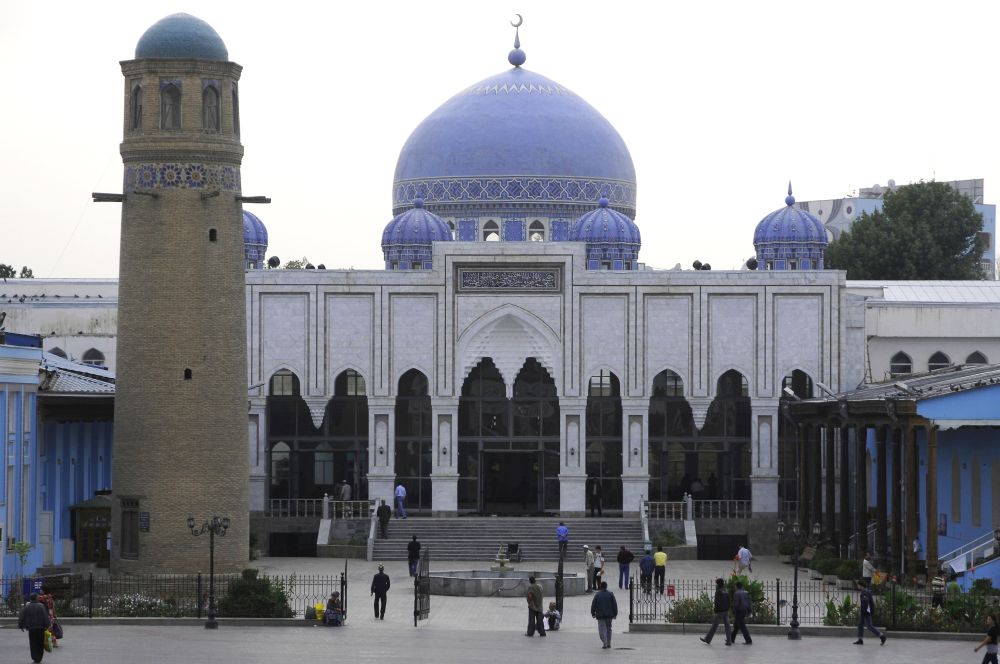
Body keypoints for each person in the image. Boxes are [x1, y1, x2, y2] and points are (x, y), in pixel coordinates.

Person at [18, 592, 51, 663]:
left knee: (33, 643)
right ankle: (39, 658)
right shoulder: (41, 606)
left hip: (31, 628)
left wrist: (21, 626)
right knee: (40, 643)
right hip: (41, 628)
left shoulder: (27, 607)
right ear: (36, 598)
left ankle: (34, 658)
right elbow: (45, 616)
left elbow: (21, 617)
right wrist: (48, 625)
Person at [700, 577, 732, 646]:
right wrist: (727, 608)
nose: (716, 585)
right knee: (727, 626)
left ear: (718, 584)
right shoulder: (725, 590)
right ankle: (729, 641)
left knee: (714, 626)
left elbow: (717, 602)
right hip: (726, 611)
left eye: (716, 584)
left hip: (720, 611)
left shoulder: (718, 591)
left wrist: (716, 610)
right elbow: (729, 601)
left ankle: (707, 639)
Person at [853, 580, 886, 646]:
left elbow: (865, 603)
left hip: (866, 612)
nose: (857, 586)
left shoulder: (865, 592)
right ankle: (860, 639)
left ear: (860, 585)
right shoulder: (865, 591)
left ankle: (882, 636)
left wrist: (865, 612)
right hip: (865, 611)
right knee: (860, 625)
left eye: (858, 585)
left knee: (869, 626)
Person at [590, 580, 618, 649]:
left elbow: (593, 605)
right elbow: (614, 604)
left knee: (602, 629)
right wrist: (615, 614)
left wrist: (593, 613)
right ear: (606, 587)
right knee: (609, 629)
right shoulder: (611, 594)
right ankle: (608, 643)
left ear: (600, 587)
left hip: (600, 615)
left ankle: (604, 643)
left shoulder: (597, 595)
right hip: (609, 615)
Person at [731, 580, 753, 645]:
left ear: (736, 587)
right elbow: (749, 603)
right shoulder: (746, 593)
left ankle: (748, 640)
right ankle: (731, 639)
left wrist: (734, 611)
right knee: (736, 626)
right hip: (744, 611)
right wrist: (749, 612)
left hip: (739, 611)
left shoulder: (736, 593)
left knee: (742, 626)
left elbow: (736, 604)